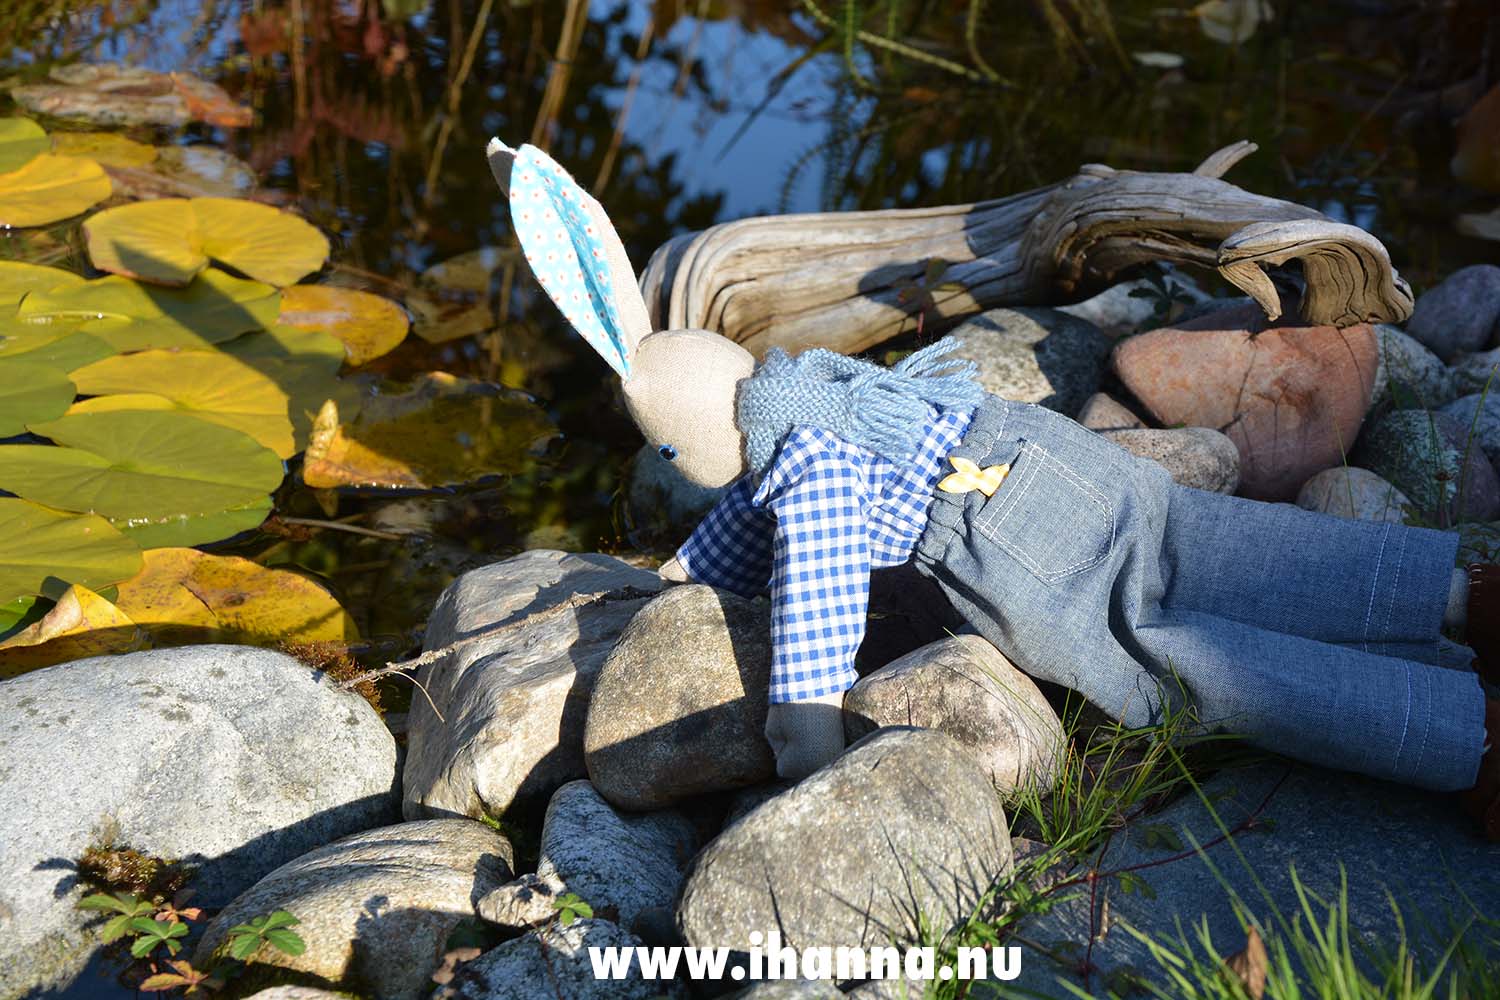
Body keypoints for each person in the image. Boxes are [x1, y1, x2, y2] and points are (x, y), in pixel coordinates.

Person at [488, 138, 1500, 840]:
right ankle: (1463, 602)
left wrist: (804, 731)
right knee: (1216, 540)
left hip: (1010, 537)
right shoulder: (811, 389)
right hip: (1051, 458)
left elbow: (819, 586)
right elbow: (746, 528)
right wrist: (678, 575)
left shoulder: (802, 463)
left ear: (691, 437)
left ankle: (1466, 738)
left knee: (1181, 652)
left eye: (672, 452)